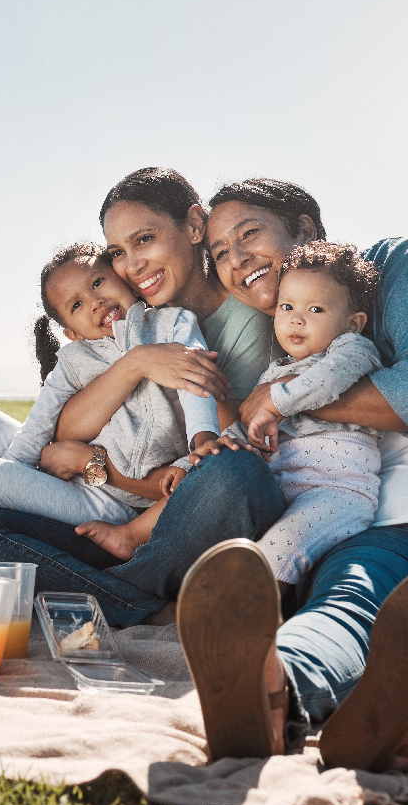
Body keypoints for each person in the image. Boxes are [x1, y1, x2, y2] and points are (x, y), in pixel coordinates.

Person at [0, 169, 279, 608]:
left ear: (193, 226)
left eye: (144, 240)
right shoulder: (125, 326)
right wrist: (135, 365)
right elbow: (60, 432)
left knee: (234, 471)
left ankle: (126, 597)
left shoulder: (225, 326)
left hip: (161, 519)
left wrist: (92, 464)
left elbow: (209, 462)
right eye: (117, 252)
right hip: (91, 504)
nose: (132, 266)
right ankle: (123, 594)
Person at [173, 180, 408, 766]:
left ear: (304, 229)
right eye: (220, 252)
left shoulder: (389, 266)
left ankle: (283, 688)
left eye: (248, 234)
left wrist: (278, 399)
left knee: (350, 597)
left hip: (384, 519)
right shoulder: (275, 342)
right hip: (303, 511)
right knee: (336, 603)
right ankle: (283, 696)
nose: (236, 260)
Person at [84, 240, 385, 573]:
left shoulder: (352, 349)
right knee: (211, 470)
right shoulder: (277, 369)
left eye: (315, 310)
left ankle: (241, 614)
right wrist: (193, 459)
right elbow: (244, 427)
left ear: (353, 322)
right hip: (281, 486)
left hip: (334, 491)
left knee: (275, 552)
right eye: (287, 307)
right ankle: (131, 535)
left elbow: (325, 382)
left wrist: (275, 403)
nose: (296, 320)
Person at [0, 241, 220, 540]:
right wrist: (14, 480)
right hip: (73, 482)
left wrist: (204, 438)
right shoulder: (74, 360)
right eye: (77, 305)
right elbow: (37, 429)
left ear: (127, 283)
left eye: (98, 282)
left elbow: (196, 383)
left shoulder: (174, 324)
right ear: (72, 333)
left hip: (118, 502)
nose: (95, 301)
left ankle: (5, 547)